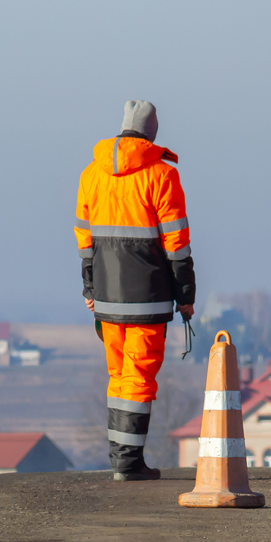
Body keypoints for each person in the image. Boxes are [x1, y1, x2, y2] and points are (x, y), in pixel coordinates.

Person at [75, 100, 195, 481]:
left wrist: (90, 287)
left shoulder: (91, 174)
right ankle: (128, 464)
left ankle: (121, 460)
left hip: (108, 299)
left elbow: (85, 239)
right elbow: (177, 245)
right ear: (151, 131)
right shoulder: (162, 176)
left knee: (118, 376)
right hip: (148, 297)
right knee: (139, 378)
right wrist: (186, 295)